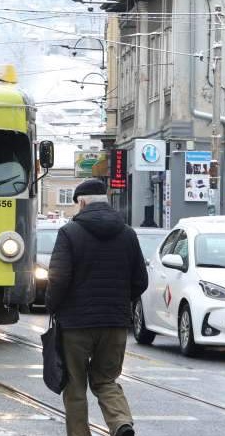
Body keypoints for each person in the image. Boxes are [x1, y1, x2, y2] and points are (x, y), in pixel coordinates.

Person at [46, 178, 148, 436]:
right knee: (106, 379)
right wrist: (120, 304)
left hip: (75, 325)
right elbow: (141, 281)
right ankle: (121, 423)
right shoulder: (128, 234)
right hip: (114, 323)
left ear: (81, 202)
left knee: (75, 385)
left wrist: (52, 306)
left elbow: (59, 279)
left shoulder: (69, 233)